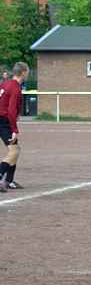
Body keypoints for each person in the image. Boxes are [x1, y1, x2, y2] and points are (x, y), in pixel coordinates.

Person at [0, 62, 29, 191]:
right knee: (14, 151)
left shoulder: (6, 83)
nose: (27, 74)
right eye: (27, 71)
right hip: (3, 120)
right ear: (23, 72)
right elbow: (11, 110)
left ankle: (9, 180)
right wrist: (14, 130)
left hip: (2, 119)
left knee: (15, 148)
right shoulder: (15, 87)